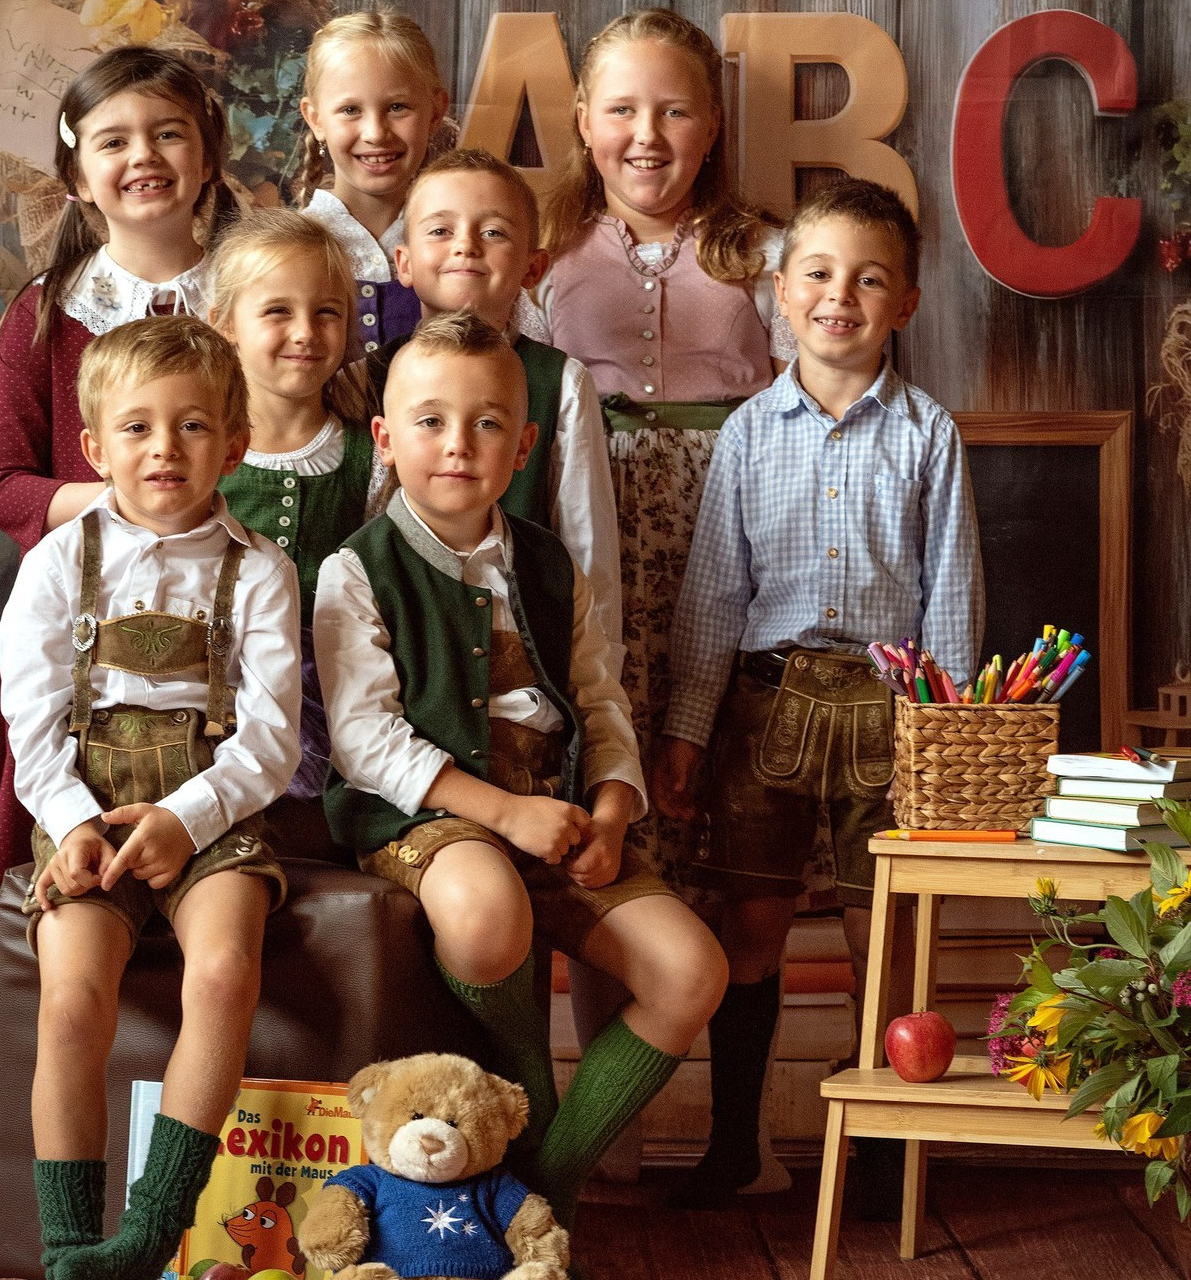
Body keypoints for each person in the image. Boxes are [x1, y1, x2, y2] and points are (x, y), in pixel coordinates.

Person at [312, 312, 727, 1227]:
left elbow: (599, 701)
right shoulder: (357, 570)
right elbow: (365, 741)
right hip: (426, 817)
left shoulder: (548, 564)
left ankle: (545, 1185)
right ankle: (522, 1159)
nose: (458, 445)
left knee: (691, 969)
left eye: (488, 423)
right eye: (429, 422)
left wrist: (613, 812)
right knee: (488, 908)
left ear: (525, 443)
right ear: (384, 438)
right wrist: (501, 814)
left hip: (560, 813)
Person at [653, 177, 985, 1209]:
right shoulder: (749, 433)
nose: (840, 295)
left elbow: (952, 594)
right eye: (818, 273)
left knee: (871, 935)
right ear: (779, 294)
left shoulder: (928, 433)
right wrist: (685, 732)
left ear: (905, 303)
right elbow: (714, 591)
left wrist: (948, 737)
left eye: (868, 278)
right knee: (748, 923)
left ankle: (882, 1150)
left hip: (890, 717)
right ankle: (737, 1145)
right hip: (763, 708)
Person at [2, 315, 302, 1280]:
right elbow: (31, 718)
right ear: (94, 448)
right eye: (135, 428)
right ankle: (68, 1248)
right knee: (72, 1001)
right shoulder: (55, 564)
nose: (163, 449)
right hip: (86, 815)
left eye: (192, 426)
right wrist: (73, 823)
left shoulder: (260, 571)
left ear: (237, 442)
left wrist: (190, 818)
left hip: (211, 818)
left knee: (219, 976)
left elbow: (269, 737)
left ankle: (148, 1233)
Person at [536, 8, 794, 898]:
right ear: (581, 120)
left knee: (728, 730)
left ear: (714, 126)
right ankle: (633, 940)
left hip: (736, 522)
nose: (647, 137)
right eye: (621, 111)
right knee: (619, 717)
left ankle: (732, 991)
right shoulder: (545, 257)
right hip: (594, 524)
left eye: (676, 112)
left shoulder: (766, 255)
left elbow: (809, 395)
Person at [0, 45, 239, 890]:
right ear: (79, 177)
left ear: (206, 157)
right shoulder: (45, 314)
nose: (144, 157)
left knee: (225, 876)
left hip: (228, 613)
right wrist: (136, 497)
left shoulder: (253, 300)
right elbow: (3, 484)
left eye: (168, 134)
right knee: (75, 891)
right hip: (83, 627)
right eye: (114, 141)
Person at [342, 147, 623, 669]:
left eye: (494, 232)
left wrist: (595, 678)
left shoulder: (559, 381)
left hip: (516, 652)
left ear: (533, 266)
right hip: (385, 643)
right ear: (403, 263)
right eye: (440, 231)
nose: (466, 246)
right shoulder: (363, 379)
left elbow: (588, 550)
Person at [207, 209, 375, 835]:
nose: (306, 331)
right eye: (278, 311)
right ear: (225, 324)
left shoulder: (370, 451)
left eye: (327, 312)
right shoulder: (198, 452)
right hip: (216, 694)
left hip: (340, 692)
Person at [297, 9, 448, 362]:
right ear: (316, 119)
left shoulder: (459, 243)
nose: (376, 133)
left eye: (397, 107)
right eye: (350, 110)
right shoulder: (288, 247)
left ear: (435, 111)